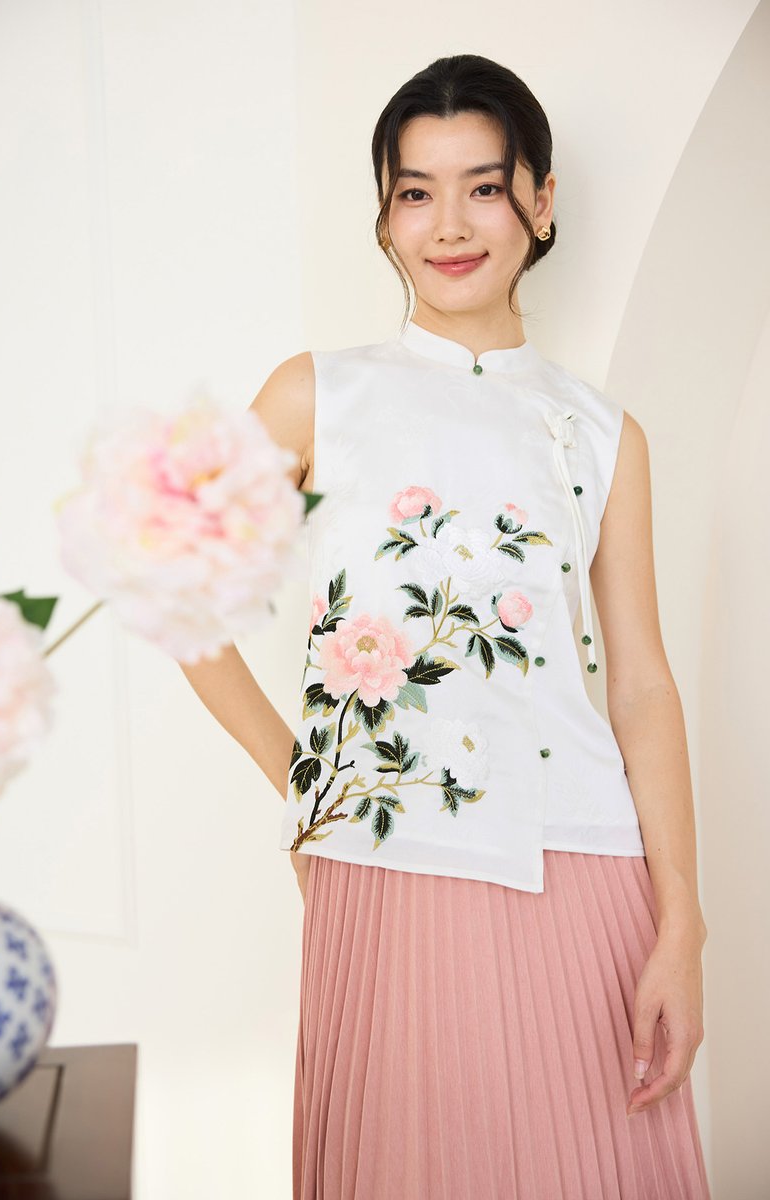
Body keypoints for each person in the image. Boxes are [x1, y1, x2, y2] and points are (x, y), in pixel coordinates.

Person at [180, 53, 711, 1200]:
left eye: (483, 187)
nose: (449, 224)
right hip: (388, 854)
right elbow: (184, 601)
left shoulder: (601, 432)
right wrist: (308, 792)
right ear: (383, 215)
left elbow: (640, 687)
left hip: (588, 863)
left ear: (540, 202)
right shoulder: (317, 393)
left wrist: (681, 925)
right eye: (415, 192)